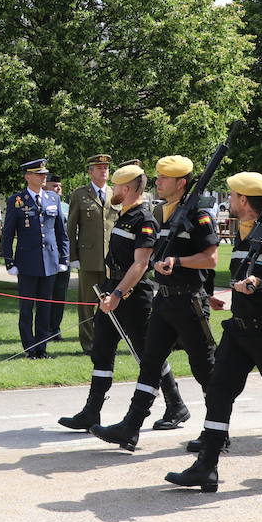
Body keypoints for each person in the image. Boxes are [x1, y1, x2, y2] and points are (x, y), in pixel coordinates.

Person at [160, 172, 262, 491]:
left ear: (243, 201)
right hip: (238, 330)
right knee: (219, 393)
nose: (229, 201)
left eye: (232, 196)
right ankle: (206, 466)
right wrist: (225, 295)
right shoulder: (245, 235)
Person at [59, 163, 153, 447]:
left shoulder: (143, 218)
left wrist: (118, 295)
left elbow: (141, 264)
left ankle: (174, 405)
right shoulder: (124, 216)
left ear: (126, 188)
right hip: (113, 289)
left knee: (147, 354)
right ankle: (91, 411)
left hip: (132, 296)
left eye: (117, 185)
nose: (113, 190)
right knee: (102, 349)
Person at [129, 155, 215, 439]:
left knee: (204, 368)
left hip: (189, 302)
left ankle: (217, 430)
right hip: (164, 300)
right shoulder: (163, 212)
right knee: (150, 361)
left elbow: (210, 259)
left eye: (164, 178)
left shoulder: (198, 215)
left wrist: (177, 262)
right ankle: (130, 426)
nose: (158, 182)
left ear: (181, 183)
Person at [0, 158, 69, 359]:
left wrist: (64, 258)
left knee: (45, 307)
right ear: (28, 177)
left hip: (50, 261)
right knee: (27, 308)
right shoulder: (17, 200)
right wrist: (9, 261)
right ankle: (29, 348)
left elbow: (61, 232)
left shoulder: (53, 199)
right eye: (39, 174)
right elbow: (8, 233)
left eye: (44, 173)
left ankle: (42, 347)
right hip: (27, 261)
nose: (43, 176)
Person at [66, 154, 116, 355]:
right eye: (99, 167)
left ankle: (106, 343)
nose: (104, 170)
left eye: (106, 167)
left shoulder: (116, 193)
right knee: (86, 305)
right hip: (88, 259)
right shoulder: (80, 194)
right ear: (90, 172)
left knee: (110, 304)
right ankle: (88, 344)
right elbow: (71, 228)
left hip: (111, 260)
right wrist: (73, 257)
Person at [45, 174, 72, 342]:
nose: (58, 189)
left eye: (59, 186)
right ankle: (44, 329)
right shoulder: (42, 203)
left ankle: (55, 329)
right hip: (47, 256)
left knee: (60, 295)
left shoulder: (66, 206)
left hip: (64, 256)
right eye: (54, 185)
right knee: (46, 294)